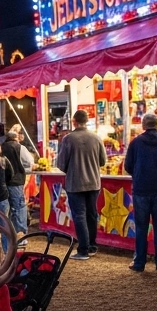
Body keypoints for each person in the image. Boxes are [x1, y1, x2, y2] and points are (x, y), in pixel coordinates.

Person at [123, 112, 157, 272]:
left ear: (143, 125)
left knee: (141, 227)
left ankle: (139, 262)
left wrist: (139, 173)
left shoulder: (136, 143)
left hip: (141, 189)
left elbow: (128, 166)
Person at [56, 110, 107, 261]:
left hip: (75, 183)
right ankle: (92, 245)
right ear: (86, 121)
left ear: (74, 121)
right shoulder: (96, 138)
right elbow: (103, 161)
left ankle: (83, 250)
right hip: (93, 182)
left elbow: (61, 163)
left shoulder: (68, 139)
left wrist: (72, 169)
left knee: (79, 216)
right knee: (92, 214)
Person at [1, 129, 29, 236]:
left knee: (7, 209)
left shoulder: (0, 147)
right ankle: (21, 234)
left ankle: (10, 232)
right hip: (16, 181)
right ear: (16, 138)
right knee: (19, 207)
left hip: (3, 182)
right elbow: (29, 161)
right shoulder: (19, 147)